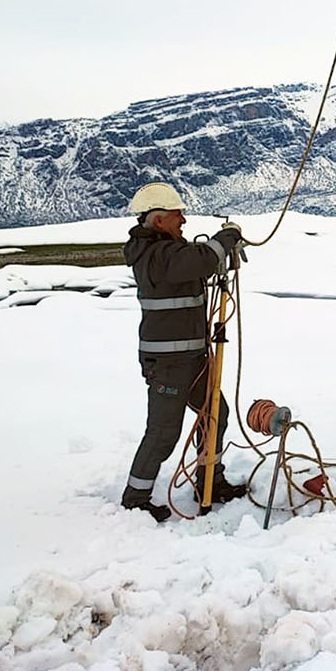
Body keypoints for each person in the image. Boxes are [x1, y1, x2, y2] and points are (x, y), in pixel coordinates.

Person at [120, 182, 248, 522]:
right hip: (169, 363)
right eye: (178, 216)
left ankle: (209, 481)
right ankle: (135, 498)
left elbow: (199, 266)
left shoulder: (168, 252)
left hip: (192, 358)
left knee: (214, 414)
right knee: (164, 432)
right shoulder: (157, 256)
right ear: (159, 220)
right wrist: (227, 238)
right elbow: (202, 259)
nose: (184, 222)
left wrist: (224, 257)